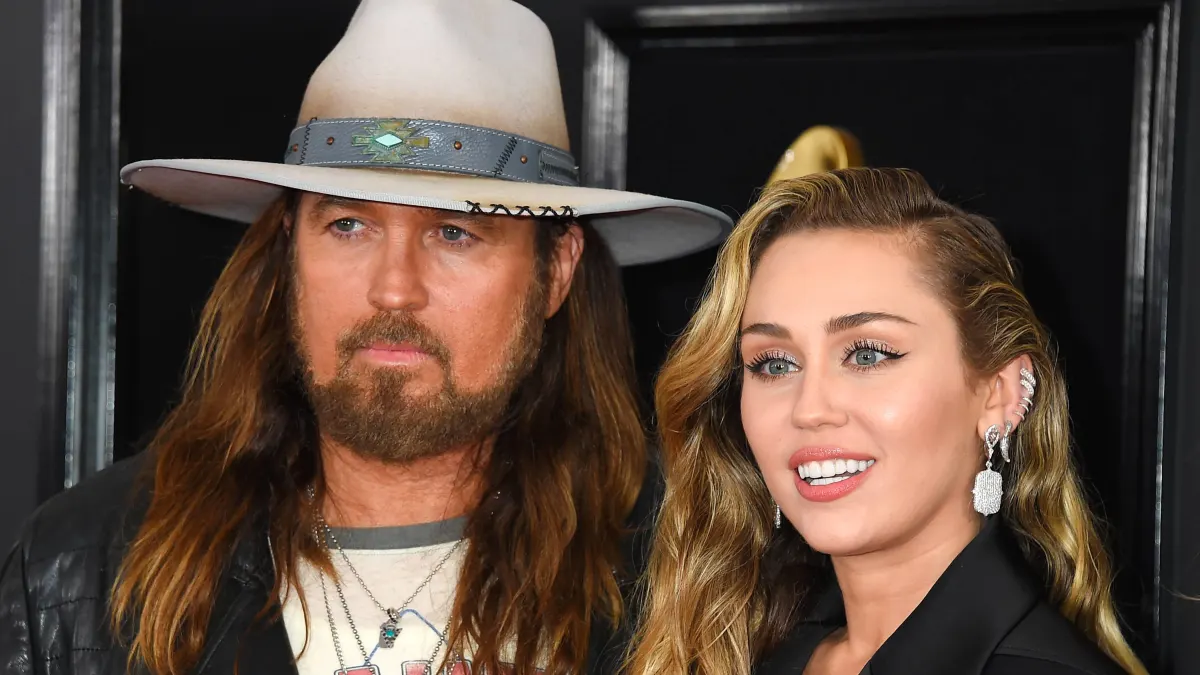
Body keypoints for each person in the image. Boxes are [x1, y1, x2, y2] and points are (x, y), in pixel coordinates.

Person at [0, 1, 731, 674]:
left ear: (557, 271)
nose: (393, 288)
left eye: (454, 232)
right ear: (290, 251)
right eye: (348, 224)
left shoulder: (691, 576)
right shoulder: (84, 570)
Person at [628, 168, 1145, 675]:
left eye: (869, 355)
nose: (810, 409)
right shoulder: (750, 654)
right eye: (775, 364)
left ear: (1001, 394)